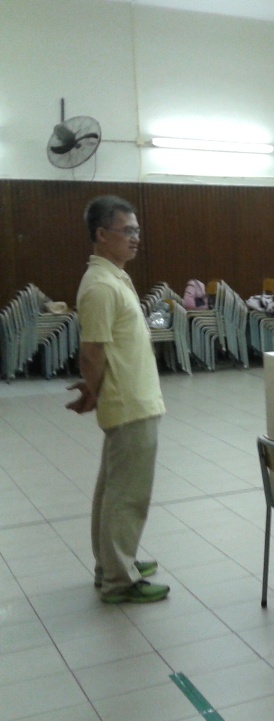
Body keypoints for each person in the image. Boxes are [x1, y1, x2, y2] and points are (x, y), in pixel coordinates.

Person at [66, 196, 169, 604]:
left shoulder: (114, 277)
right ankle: (119, 580)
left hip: (132, 400)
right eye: (127, 231)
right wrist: (94, 391)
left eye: (136, 230)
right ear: (101, 234)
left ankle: (111, 564)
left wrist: (96, 389)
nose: (135, 238)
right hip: (130, 404)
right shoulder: (100, 286)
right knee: (128, 495)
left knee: (112, 490)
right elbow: (91, 352)